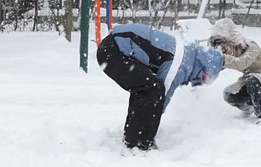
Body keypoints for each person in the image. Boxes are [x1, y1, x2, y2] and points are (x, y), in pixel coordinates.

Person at [96, 23, 224, 151]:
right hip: (114, 51)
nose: (201, 81)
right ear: (203, 67)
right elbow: (162, 94)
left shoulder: (186, 54)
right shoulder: (182, 62)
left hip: (111, 48)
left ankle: (134, 136)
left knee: (146, 88)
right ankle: (139, 143)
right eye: (205, 78)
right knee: (153, 89)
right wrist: (152, 117)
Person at [209, 18, 261, 121]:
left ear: (231, 39)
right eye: (217, 45)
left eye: (222, 43)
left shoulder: (251, 46)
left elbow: (242, 63)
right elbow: (218, 68)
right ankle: (249, 107)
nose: (221, 48)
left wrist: (224, 59)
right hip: (250, 79)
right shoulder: (231, 53)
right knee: (229, 94)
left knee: (253, 82)